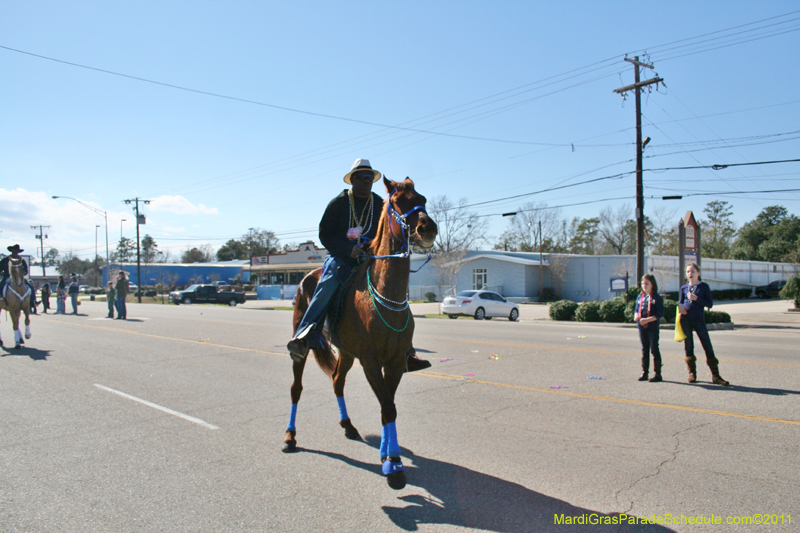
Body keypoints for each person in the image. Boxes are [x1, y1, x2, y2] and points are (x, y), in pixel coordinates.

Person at [287, 158, 431, 372]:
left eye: (370, 178)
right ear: (352, 180)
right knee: (327, 283)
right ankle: (305, 335)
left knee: (394, 290)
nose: (366, 181)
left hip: (371, 256)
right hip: (342, 257)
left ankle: (406, 351)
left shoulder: (379, 203)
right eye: (362, 177)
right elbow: (325, 234)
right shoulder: (339, 203)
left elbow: (387, 230)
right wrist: (348, 249)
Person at [678, 263, 730, 386]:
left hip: (699, 320)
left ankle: (715, 375)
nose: (690, 274)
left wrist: (696, 298)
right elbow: (680, 302)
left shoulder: (704, 287)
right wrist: (680, 307)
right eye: (688, 271)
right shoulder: (684, 288)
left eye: (693, 271)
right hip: (686, 320)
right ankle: (692, 373)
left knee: (707, 345)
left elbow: (709, 303)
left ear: (698, 273)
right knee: (688, 346)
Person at [633, 274, 664, 382]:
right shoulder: (640, 297)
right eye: (643, 283)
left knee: (654, 349)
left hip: (652, 327)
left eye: (647, 283)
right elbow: (636, 309)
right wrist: (636, 316)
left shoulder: (656, 298)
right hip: (642, 327)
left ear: (652, 285)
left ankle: (658, 374)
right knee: (644, 349)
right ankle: (644, 372)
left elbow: (659, 313)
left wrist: (647, 320)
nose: (644, 285)